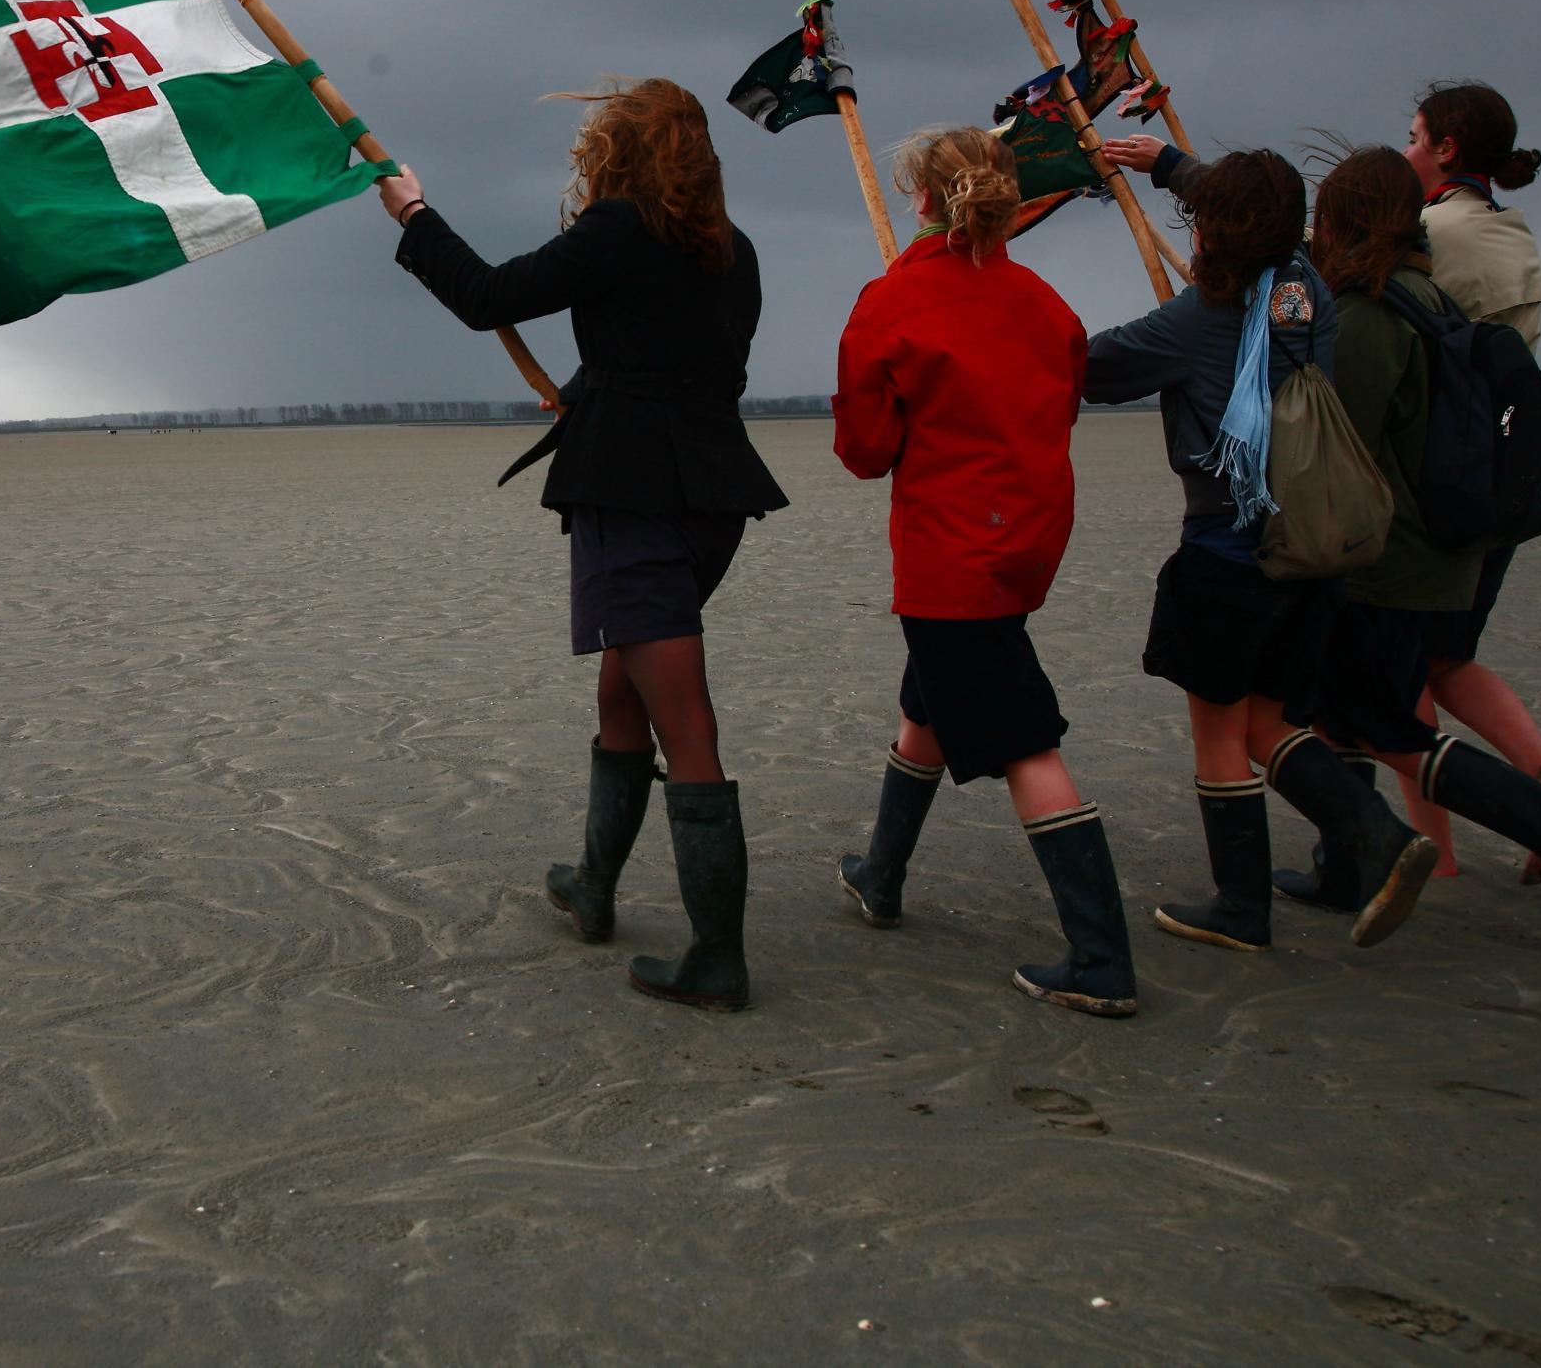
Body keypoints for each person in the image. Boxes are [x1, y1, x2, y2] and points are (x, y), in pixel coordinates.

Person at [378, 78, 788, 1012]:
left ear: (623, 152)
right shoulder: (738, 251)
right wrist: (593, 386)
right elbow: (683, 360)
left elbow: (486, 296)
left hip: (635, 496)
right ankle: (594, 885)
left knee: (685, 721)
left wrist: (414, 213)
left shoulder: (618, 230)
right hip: (710, 499)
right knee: (625, 686)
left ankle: (717, 957)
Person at [1083, 139, 1439, 953]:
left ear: (1211, 231)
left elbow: (1088, 368)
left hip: (1227, 553)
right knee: (1271, 726)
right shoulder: (1305, 287)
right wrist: (1172, 164)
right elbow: (1259, 218)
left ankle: (1245, 906)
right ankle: (1377, 836)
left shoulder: (1195, 319)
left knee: (1219, 736)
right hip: (1307, 559)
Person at [831, 125, 1137, 1018]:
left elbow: (864, 449)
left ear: (924, 201)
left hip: (954, 551)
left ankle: (1101, 956)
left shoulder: (893, 302)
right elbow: (1059, 404)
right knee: (929, 700)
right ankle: (881, 875)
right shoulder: (1048, 304)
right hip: (1028, 538)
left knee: (1021, 741)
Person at [1293, 145, 1541, 939]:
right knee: (1347, 716)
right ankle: (1348, 865)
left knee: (1373, 721)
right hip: (1438, 554)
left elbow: (1344, 444)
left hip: (1385, 561)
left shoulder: (1374, 317)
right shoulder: (1430, 297)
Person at [1405, 81, 1541, 887]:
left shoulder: (1433, 230)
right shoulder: (1512, 230)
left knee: (1402, 665)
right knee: (1448, 654)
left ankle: (1433, 852)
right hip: (1508, 467)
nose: (1406, 150)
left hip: (1443, 475)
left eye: (1414, 137)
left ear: (1447, 149)